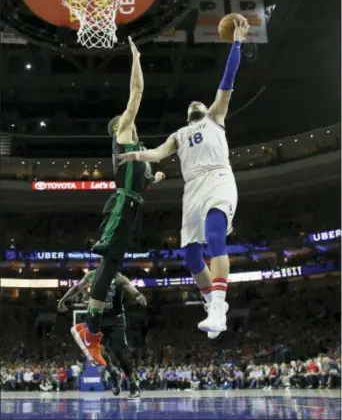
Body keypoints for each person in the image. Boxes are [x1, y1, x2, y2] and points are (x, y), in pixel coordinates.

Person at [119, 20, 249, 338]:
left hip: (218, 178)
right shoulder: (179, 134)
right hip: (192, 188)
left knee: (216, 236)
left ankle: (219, 305)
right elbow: (159, 152)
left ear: (205, 110)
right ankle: (210, 302)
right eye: (190, 105)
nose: (194, 103)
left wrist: (237, 43)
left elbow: (228, 79)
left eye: (198, 103)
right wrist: (138, 155)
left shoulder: (216, 117)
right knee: (191, 258)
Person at [71, 37, 165, 367]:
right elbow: (136, 92)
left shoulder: (136, 150)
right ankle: (91, 331)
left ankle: (90, 331)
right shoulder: (123, 132)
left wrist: (154, 178)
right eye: (126, 117)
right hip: (123, 204)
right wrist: (136, 58)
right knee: (109, 262)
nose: (132, 118)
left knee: (112, 268)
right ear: (119, 126)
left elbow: (144, 178)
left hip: (132, 205)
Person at [58, 270, 147, 398]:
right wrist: (63, 299)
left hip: (115, 320)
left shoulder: (119, 278)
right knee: (99, 352)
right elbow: (77, 287)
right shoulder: (92, 275)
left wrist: (138, 295)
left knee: (118, 352)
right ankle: (113, 373)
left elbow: (131, 288)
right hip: (97, 318)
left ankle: (133, 384)